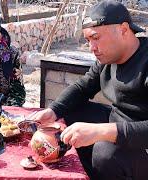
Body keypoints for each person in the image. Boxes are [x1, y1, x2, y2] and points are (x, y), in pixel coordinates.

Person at [31, 1, 148, 179]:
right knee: (71, 111)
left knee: (105, 152)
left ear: (123, 30)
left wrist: (101, 132)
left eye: (96, 38)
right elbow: (83, 87)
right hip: (119, 121)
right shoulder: (107, 59)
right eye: (88, 40)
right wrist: (53, 111)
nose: (92, 48)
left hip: (143, 144)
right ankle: (91, 173)